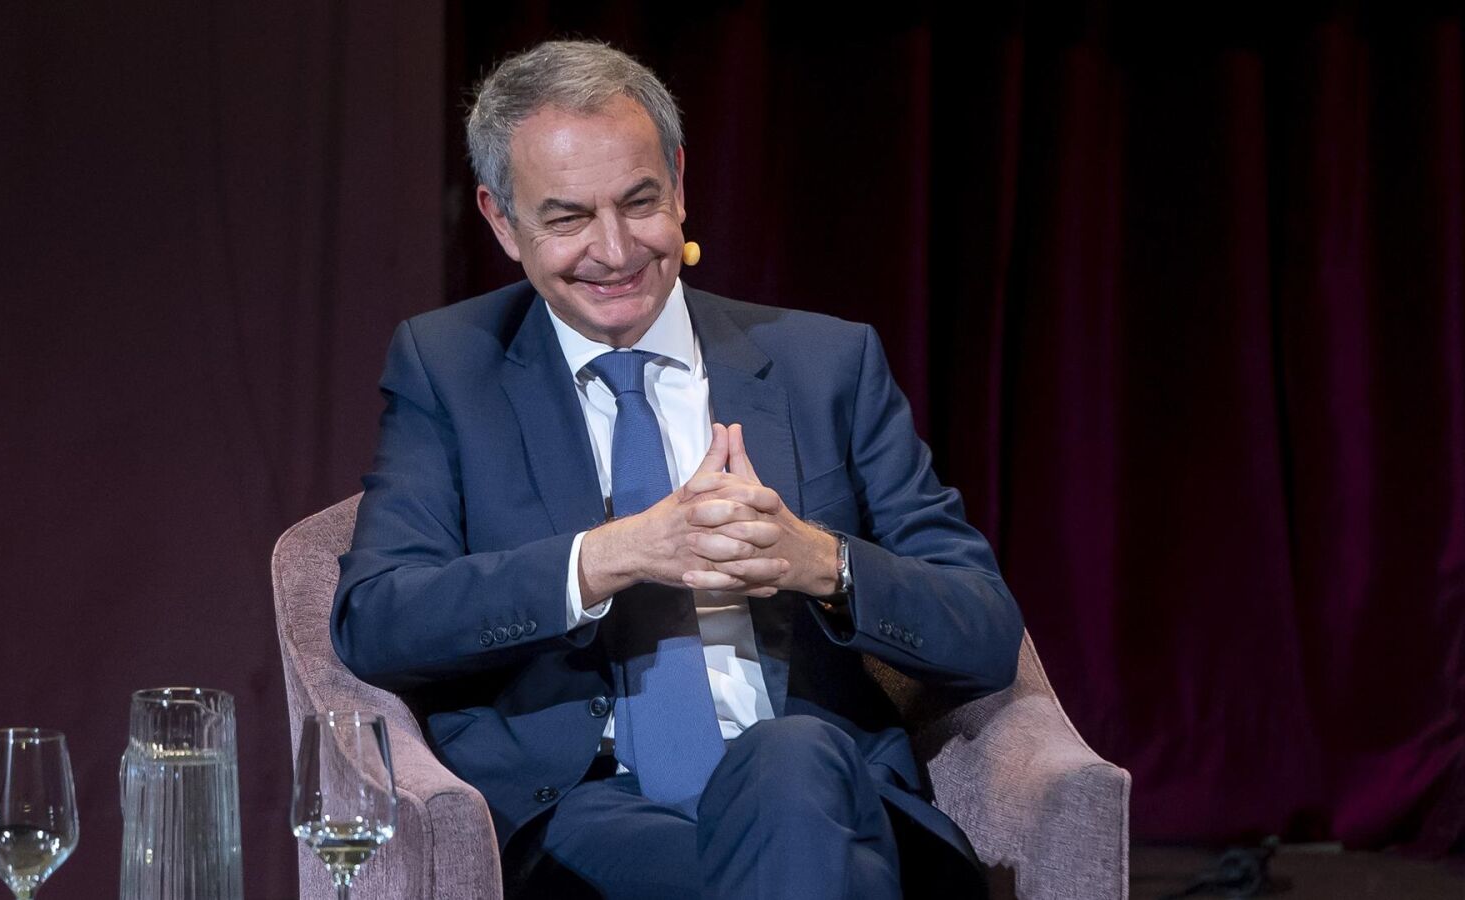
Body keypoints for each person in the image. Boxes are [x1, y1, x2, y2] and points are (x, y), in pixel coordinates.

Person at [332, 39, 1024, 899]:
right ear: (502, 222)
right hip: (593, 815)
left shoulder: (825, 365)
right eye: (568, 218)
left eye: (639, 202)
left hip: (822, 788)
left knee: (788, 760)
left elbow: (984, 633)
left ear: (681, 183)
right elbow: (377, 619)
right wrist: (610, 556)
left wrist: (818, 562)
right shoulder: (449, 369)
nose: (615, 249)